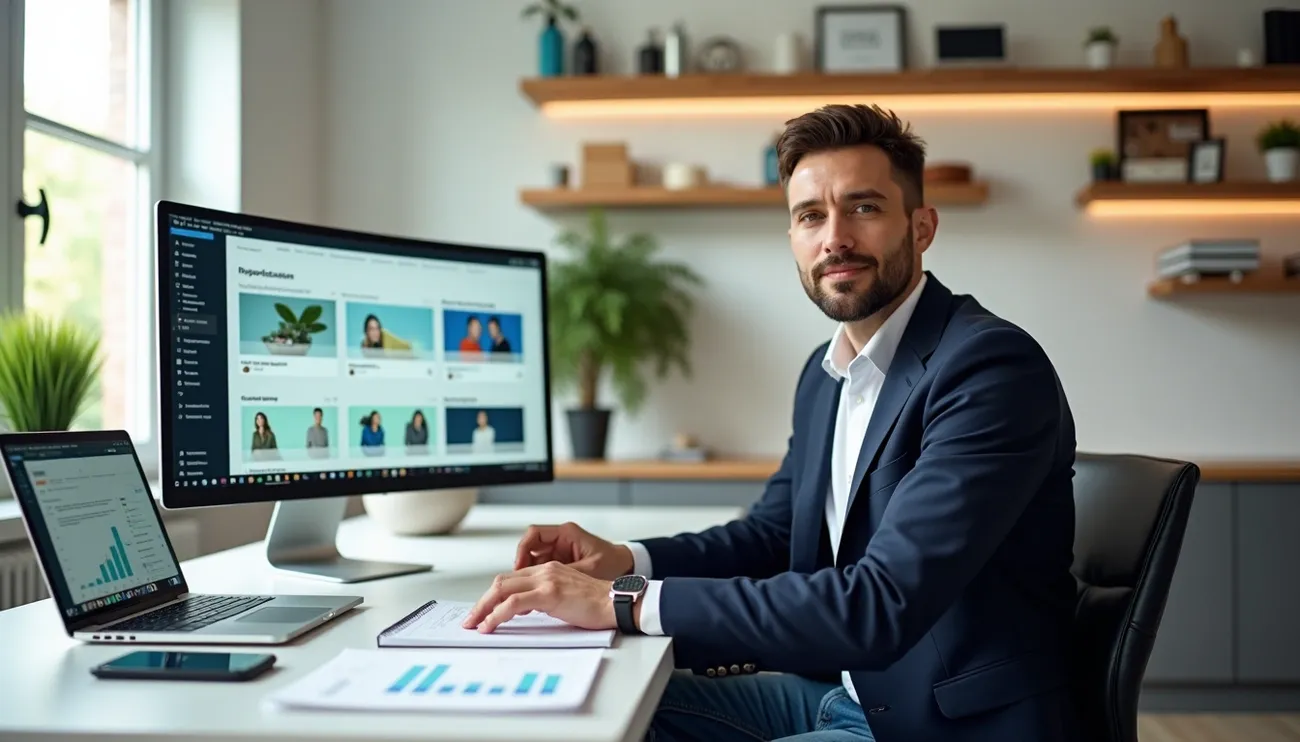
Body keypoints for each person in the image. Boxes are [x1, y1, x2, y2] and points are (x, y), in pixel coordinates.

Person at [461, 104, 1080, 742]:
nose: (834, 237)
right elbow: (770, 537)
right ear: (793, 239)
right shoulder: (826, 373)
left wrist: (622, 602)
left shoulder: (988, 368)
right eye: (811, 215)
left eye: (863, 207)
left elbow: (881, 603)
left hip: (937, 725)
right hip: (835, 692)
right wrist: (625, 562)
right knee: (597, 712)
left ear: (921, 227)